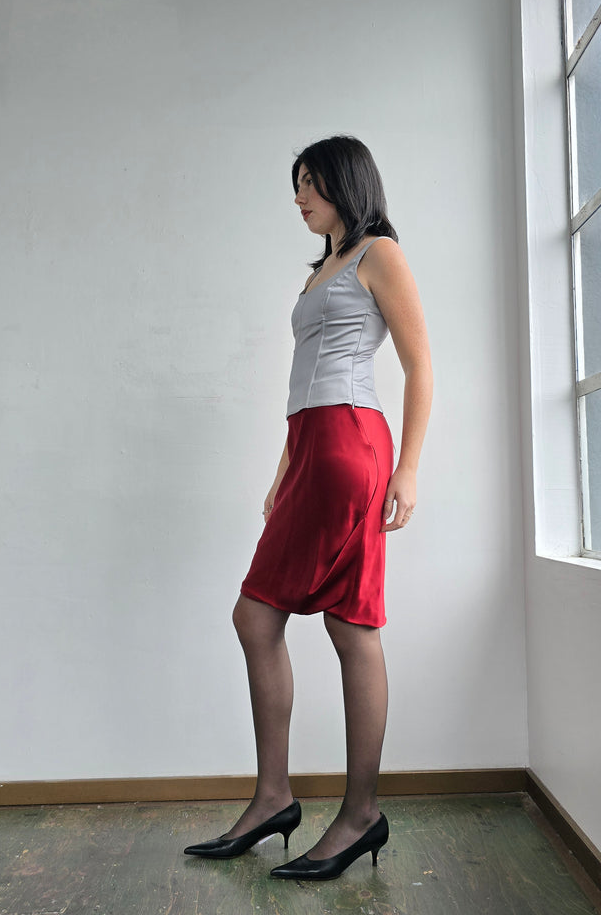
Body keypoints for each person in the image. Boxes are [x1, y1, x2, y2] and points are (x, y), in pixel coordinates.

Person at [184, 135, 433, 880]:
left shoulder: (379, 254)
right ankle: (278, 799)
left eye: (311, 183)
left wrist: (409, 468)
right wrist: (283, 467)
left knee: (341, 621)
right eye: (295, 185)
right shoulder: (323, 267)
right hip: (312, 449)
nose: (298, 198)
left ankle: (355, 812)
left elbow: (420, 364)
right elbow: (305, 381)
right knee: (269, 617)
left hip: (351, 444)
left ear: (345, 184)